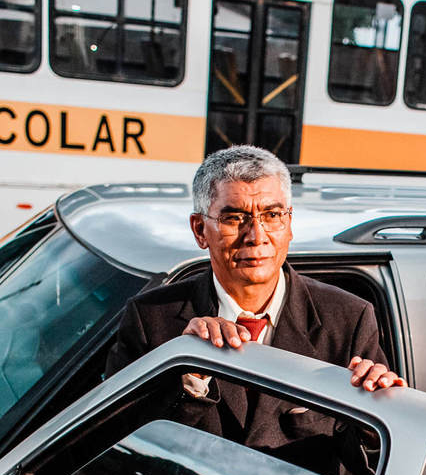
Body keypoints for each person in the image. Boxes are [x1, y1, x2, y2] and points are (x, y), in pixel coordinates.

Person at [105, 145, 404, 453]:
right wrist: (189, 373)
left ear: (288, 225)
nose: (256, 235)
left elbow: (373, 455)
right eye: (235, 218)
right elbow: (117, 441)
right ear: (199, 230)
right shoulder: (150, 319)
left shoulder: (348, 319)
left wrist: (379, 416)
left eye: (272, 215)